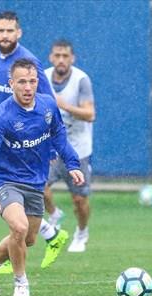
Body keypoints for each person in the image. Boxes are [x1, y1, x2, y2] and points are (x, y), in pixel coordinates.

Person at [0, 59, 84, 296]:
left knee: (28, 238)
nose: (27, 87)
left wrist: (73, 164)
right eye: (21, 82)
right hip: (7, 182)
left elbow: (60, 137)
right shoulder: (1, 117)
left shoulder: (47, 106)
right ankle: (21, 283)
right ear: (11, 83)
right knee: (19, 227)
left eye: (32, 81)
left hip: (35, 183)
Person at [0, 10, 69, 272]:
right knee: (19, 219)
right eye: (1, 30)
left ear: (19, 33)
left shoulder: (28, 62)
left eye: (9, 31)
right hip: (8, 135)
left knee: (21, 213)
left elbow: (46, 103)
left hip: (30, 138)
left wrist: (45, 143)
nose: (5, 35)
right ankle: (49, 234)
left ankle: (7, 262)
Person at [43, 39, 96, 252]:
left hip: (77, 150)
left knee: (79, 200)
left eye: (65, 56)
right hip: (51, 148)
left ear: (72, 58)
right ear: (51, 57)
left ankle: (82, 232)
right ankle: (55, 214)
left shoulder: (81, 80)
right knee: (38, 188)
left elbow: (90, 114)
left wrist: (63, 105)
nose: (61, 60)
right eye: (57, 55)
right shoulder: (43, 78)